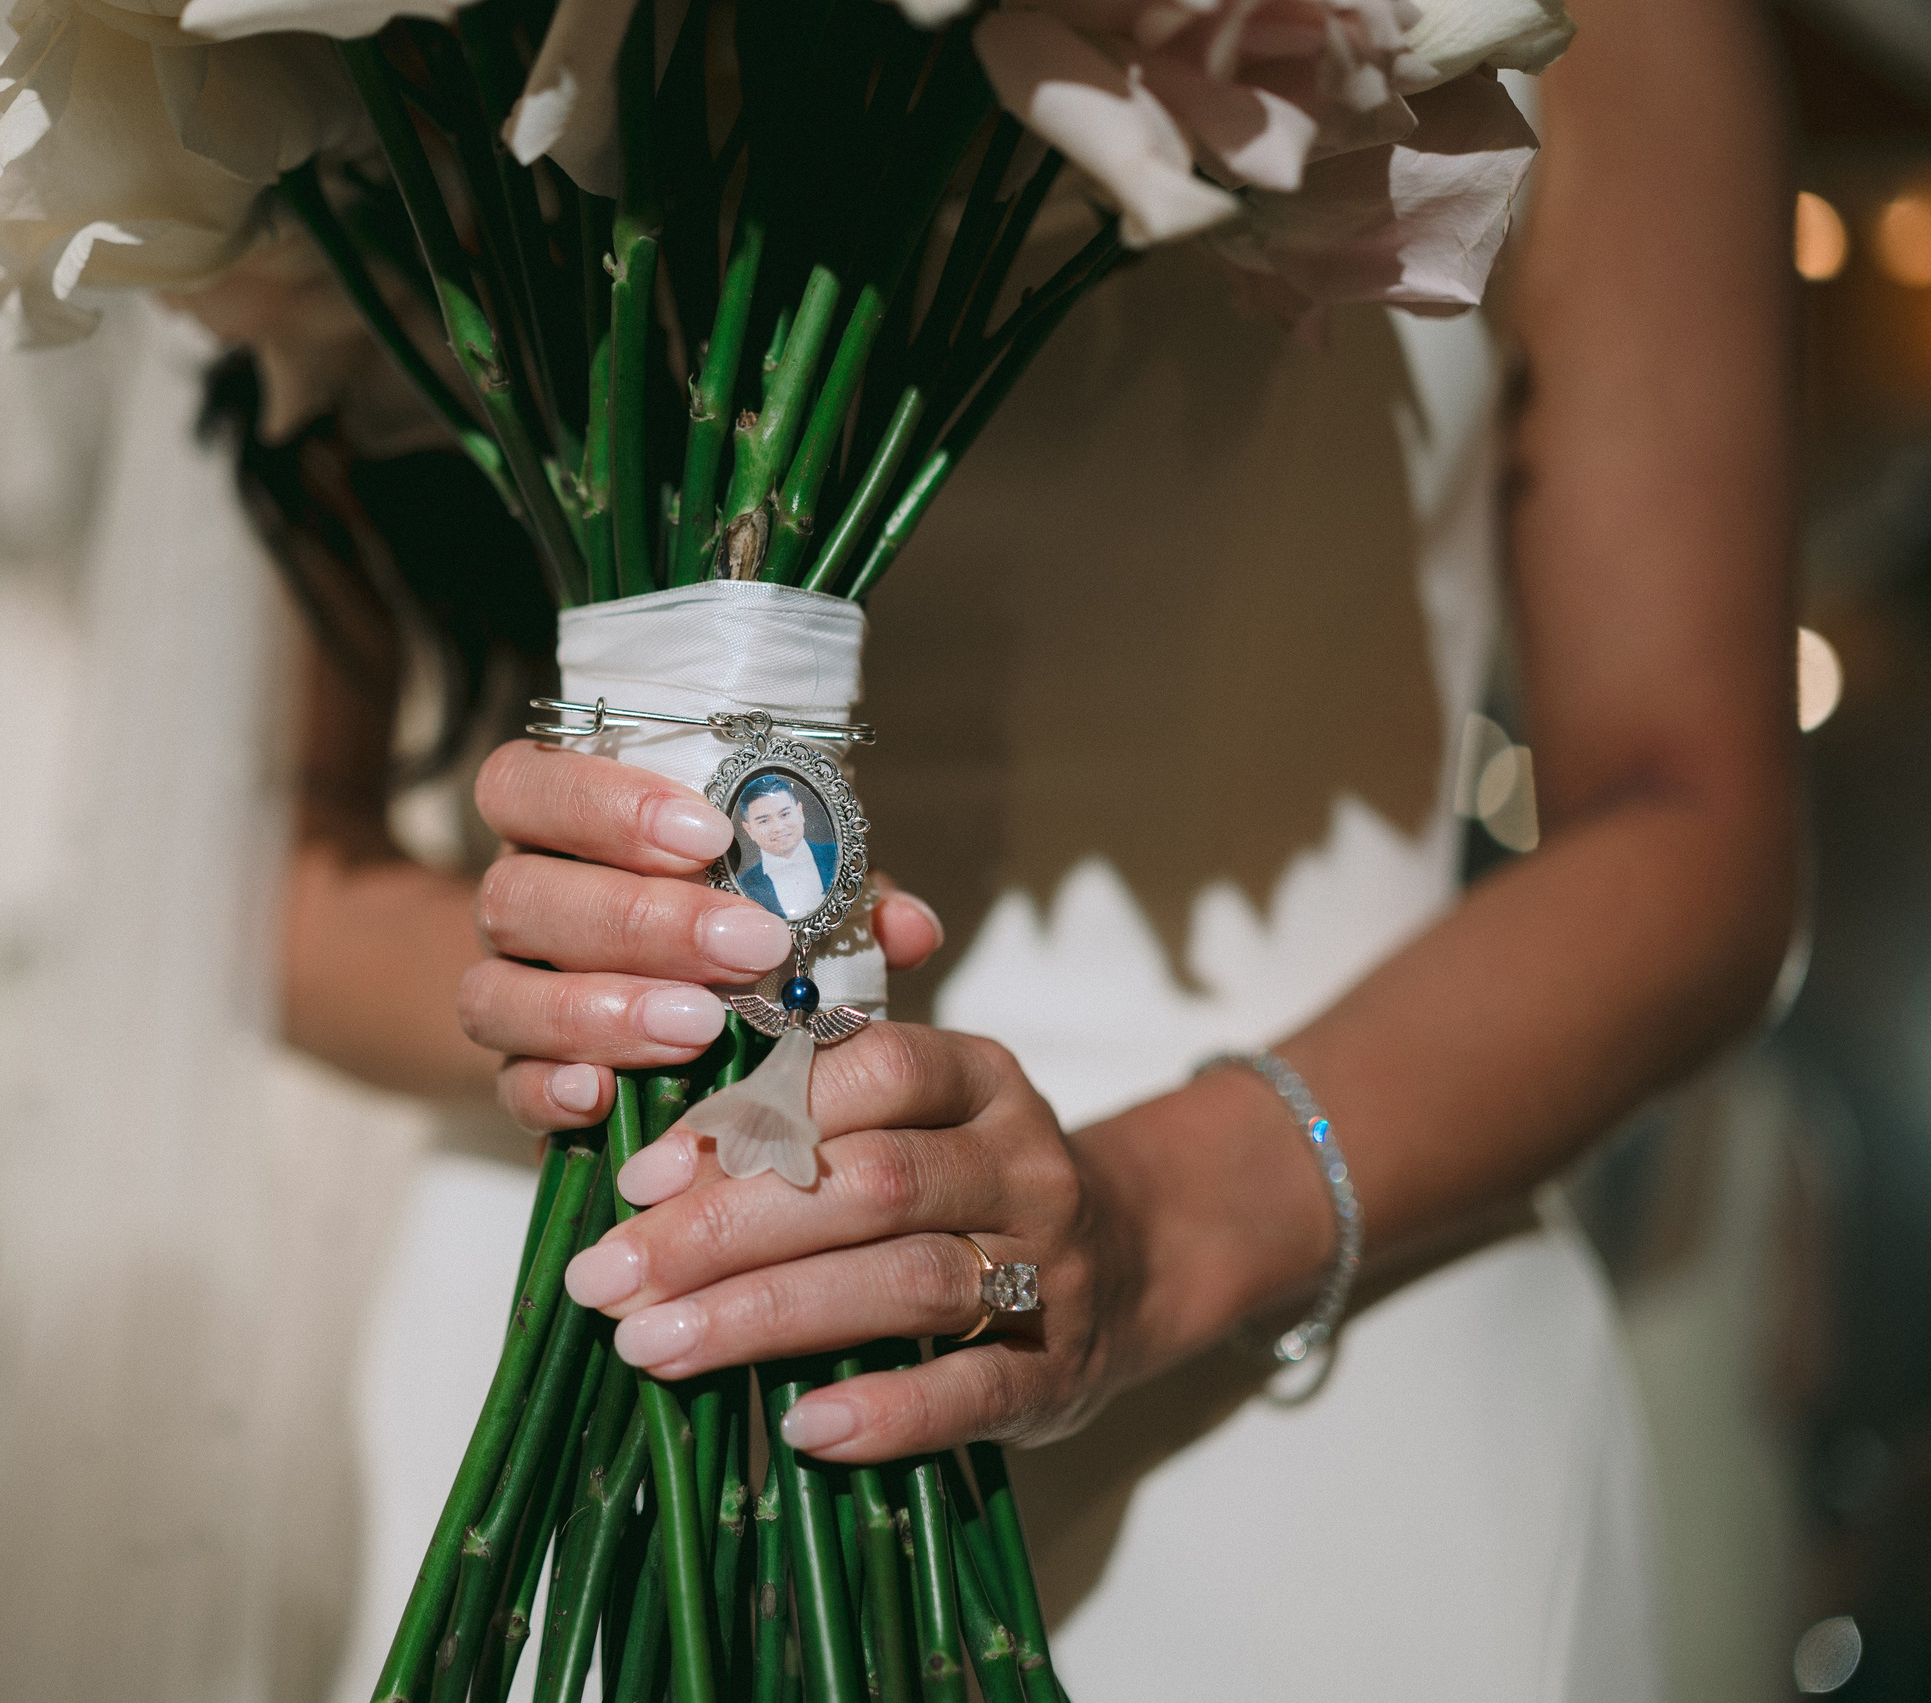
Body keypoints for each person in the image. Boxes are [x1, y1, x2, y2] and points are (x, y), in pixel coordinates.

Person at [272, 0, 1796, 1694]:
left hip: (1294, 1365)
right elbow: (284, 873)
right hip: (603, 1291)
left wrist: (1156, 1224)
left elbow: (1694, 824)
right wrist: (584, 995)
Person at [732, 775, 835, 921]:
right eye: (764, 821)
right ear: (749, 830)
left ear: (800, 812)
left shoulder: (836, 855)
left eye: (785, 814)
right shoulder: (744, 886)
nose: (778, 828)